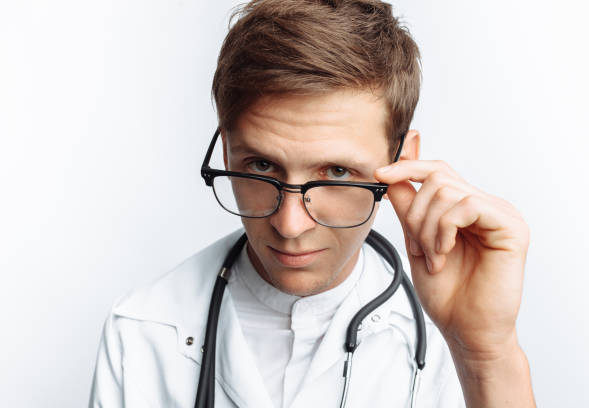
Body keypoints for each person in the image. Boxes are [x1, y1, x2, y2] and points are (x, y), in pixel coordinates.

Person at [89, 0, 536, 407]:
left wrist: (486, 356)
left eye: (336, 172)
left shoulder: (453, 339)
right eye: (262, 166)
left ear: (402, 162)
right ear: (226, 152)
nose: (290, 224)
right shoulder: (142, 331)